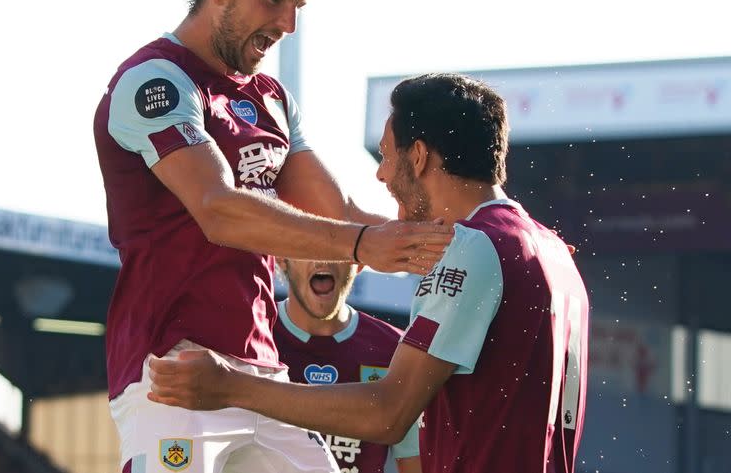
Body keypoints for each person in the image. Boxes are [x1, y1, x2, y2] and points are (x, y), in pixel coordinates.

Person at [93, 0, 451, 473]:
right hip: (174, 369)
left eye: (297, 6)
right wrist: (363, 244)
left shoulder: (272, 98)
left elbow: (337, 212)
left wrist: (455, 244)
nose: (288, 24)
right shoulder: (156, 79)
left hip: (258, 372)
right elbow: (218, 209)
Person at [148, 74, 591, 473]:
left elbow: (386, 413)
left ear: (417, 156)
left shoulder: (474, 247)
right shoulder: (554, 251)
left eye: (384, 156)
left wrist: (227, 387)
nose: (380, 174)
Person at [274, 258, 422, 473]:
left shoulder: (395, 350)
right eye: (310, 244)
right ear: (282, 259)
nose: (323, 258)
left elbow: (413, 460)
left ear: (360, 262)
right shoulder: (252, 337)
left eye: (338, 246)